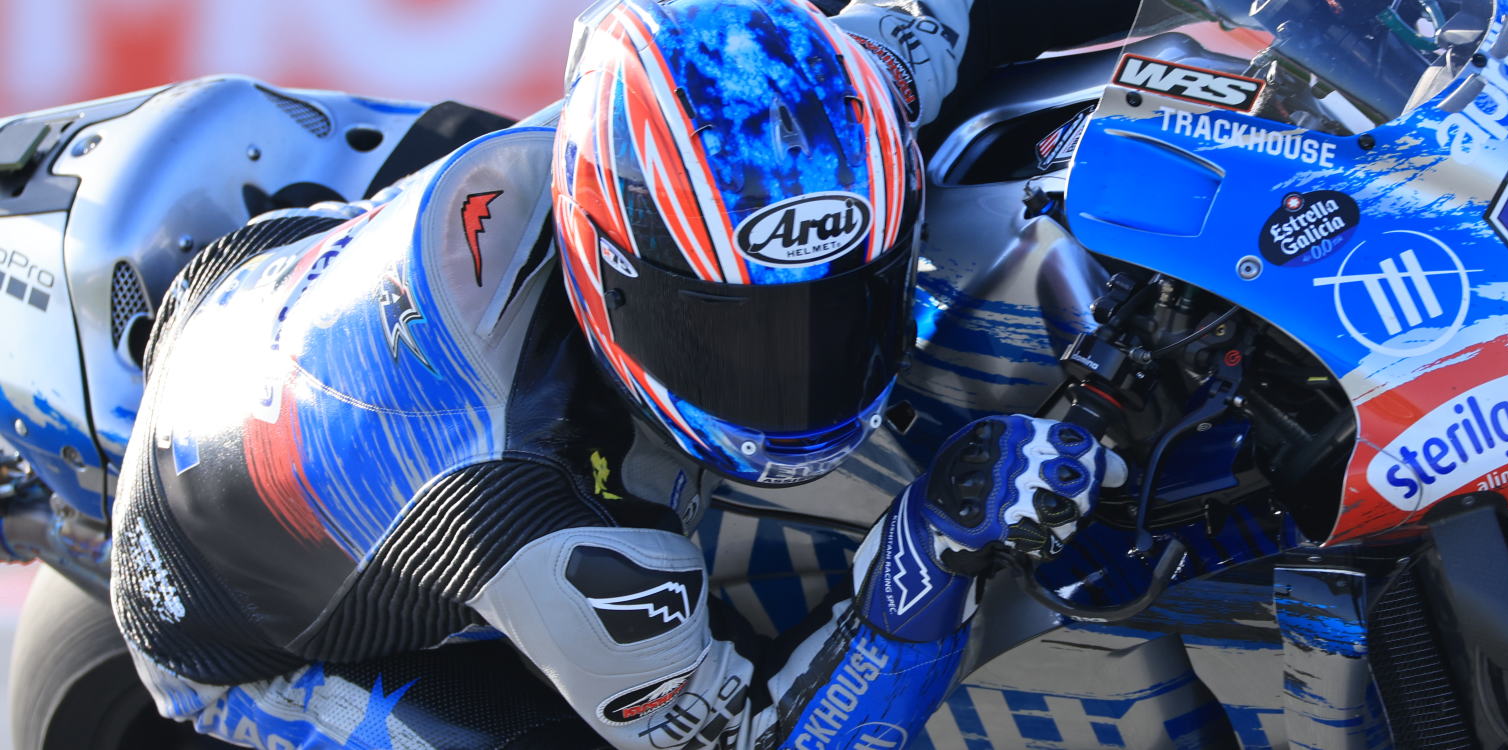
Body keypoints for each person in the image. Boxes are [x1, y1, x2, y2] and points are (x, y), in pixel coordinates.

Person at [106, 0, 1135, 747]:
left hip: (300, 295)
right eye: (732, 335)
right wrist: (925, 554)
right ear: (615, 274)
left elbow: (933, 17)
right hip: (229, 622)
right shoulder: (533, 514)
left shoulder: (771, 115)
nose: (798, 375)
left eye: (839, 309)